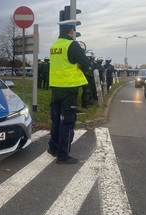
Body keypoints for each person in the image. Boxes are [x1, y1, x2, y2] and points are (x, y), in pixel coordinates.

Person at [47, 20, 90, 164]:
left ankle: (53, 148)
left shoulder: (54, 46)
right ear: (71, 31)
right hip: (69, 89)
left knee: (56, 121)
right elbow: (86, 63)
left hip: (55, 89)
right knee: (67, 122)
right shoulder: (72, 44)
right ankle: (63, 156)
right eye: (74, 32)